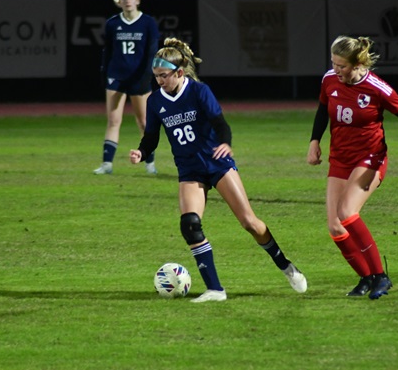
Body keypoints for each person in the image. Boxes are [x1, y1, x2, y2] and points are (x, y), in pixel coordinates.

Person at [130, 37, 307, 303]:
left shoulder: (200, 92)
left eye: (164, 75)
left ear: (179, 72)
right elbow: (152, 137)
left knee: (249, 222)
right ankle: (215, 289)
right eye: (156, 76)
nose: (159, 81)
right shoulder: (155, 101)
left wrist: (226, 143)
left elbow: (220, 123)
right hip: (189, 170)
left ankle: (286, 265)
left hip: (217, 163)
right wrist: (142, 152)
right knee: (190, 225)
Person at [307, 35, 398, 300]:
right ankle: (366, 278)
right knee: (335, 226)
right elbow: (323, 110)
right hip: (340, 158)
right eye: (334, 64)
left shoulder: (377, 88)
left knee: (347, 212)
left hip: (370, 157)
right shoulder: (329, 79)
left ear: (357, 63)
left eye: (342, 66)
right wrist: (314, 141)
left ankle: (381, 276)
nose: (337, 70)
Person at [94, 0, 160, 175]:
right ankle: (107, 164)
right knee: (113, 120)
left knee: (144, 122)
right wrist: (104, 74)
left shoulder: (147, 22)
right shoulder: (113, 23)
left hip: (139, 78)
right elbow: (107, 52)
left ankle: (149, 163)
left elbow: (151, 52)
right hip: (117, 77)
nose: (127, 1)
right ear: (118, 1)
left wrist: (147, 75)